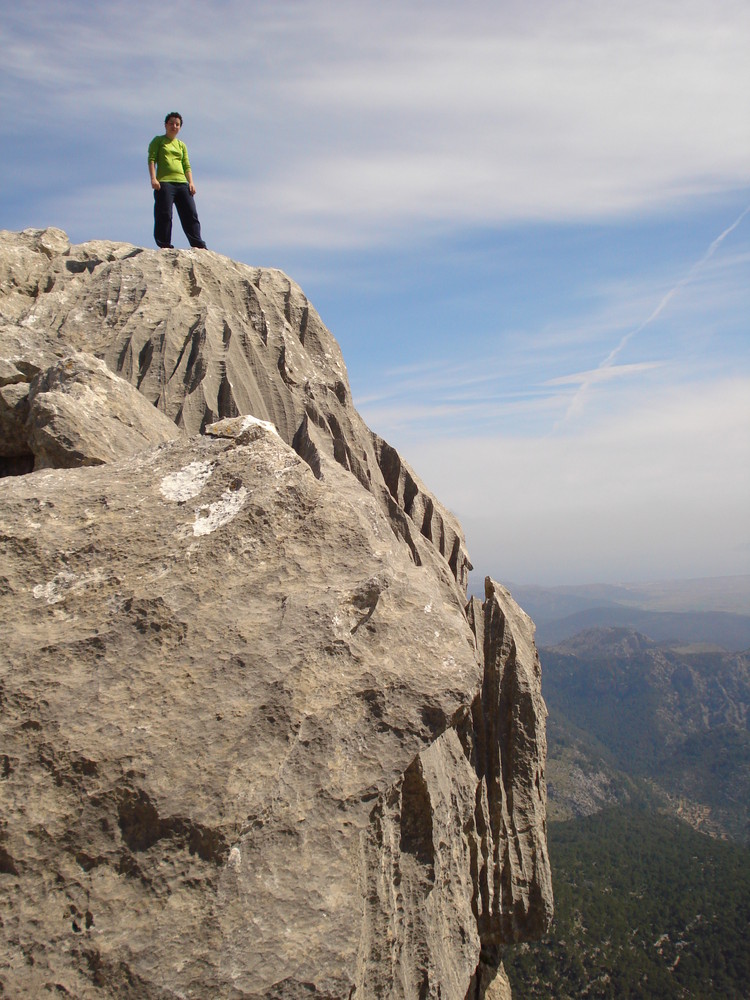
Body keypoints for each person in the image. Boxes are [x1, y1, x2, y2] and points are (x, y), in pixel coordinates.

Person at [148, 112, 207, 249]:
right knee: (164, 213)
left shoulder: (181, 145)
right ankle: (164, 244)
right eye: (171, 123)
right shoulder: (158, 141)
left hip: (182, 183)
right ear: (165, 125)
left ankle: (197, 243)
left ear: (180, 127)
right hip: (164, 182)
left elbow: (186, 165)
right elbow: (152, 160)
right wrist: (153, 178)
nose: (174, 126)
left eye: (177, 124)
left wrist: (191, 182)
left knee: (190, 213)